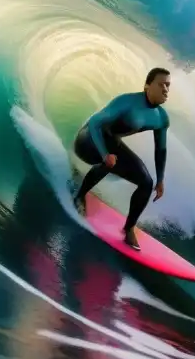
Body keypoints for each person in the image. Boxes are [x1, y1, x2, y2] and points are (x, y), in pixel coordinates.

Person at [72, 67, 171, 250]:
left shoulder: (161, 118)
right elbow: (95, 123)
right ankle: (79, 196)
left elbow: (161, 149)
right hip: (88, 139)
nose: (166, 89)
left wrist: (161, 179)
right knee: (110, 161)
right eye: (161, 84)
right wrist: (104, 154)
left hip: (112, 144)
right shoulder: (127, 101)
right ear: (147, 86)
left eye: (168, 85)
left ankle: (129, 228)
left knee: (146, 182)